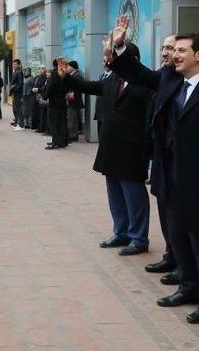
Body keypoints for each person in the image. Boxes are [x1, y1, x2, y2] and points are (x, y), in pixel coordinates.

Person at [108, 21, 199, 324]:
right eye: (174, 50)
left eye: (182, 50)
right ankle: (188, 287)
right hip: (169, 173)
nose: (174, 55)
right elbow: (139, 74)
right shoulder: (170, 79)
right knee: (177, 234)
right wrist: (120, 46)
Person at [54, 45, 153, 256]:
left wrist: (148, 149)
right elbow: (89, 87)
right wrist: (67, 78)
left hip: (133, 149)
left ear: (131, 59)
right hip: (111, 146)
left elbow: (149, 121)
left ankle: (138, 238)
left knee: (133, 194)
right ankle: (121, 232)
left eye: (112, 57)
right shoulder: (112, 80)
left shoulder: (146, 83)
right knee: (115, 192)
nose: (108, 61)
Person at [144, 34, 181, 286]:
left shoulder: (184, 81)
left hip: (178, 158)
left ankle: (182, 263)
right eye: (164, 47)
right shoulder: (163, 75)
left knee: (177, 214)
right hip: (160, 156)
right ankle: (171, 255)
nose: (166, 52)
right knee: (164, 209)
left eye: (172, 48)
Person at [43, 59, 70, 149]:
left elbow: (50, 88)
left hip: (54, 103)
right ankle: (63, 141)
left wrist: (45, 95)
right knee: (62, 122)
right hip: (62, 102)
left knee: (53, 123)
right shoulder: (66, 74)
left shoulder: (54, 74)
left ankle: (55, 141)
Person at [66, 61, 85, 142]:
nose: (67, 68)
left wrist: (68, 96)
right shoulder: (74, 75)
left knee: (72, 119)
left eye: (68, 66)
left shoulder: (76, 76)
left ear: (73, 67)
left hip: (74, 101)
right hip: (73, 101)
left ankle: (72, 135)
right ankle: (73, 134)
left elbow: (75, 89)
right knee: (72, 118)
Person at [94, 64, 113, 136]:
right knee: (100, 131)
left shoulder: (115, 76)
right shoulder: (101, 75)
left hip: (108, 109)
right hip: (99, 109)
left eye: (108, 61)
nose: (106, 64)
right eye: (104, 62)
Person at [32, 66, 48, 133]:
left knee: (42, 113)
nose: (41, 70)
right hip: (36, 96)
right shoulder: (37, 77)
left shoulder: (46, 78)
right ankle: (38, 126)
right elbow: (34, 85)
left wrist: (38, 90)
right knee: (37, 112)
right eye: (40, 69)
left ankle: (42, 128)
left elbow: (44, 87)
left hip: (42, 96)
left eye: (42, 69)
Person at [10, 59, 24, 129]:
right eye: (13, 64)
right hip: (15, 93)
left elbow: (20, 83)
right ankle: (19, 123)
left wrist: (15, 89)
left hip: (18, 93)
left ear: (18, 64)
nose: (13, 65)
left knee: (19, 109)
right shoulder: (16, 71)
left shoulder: (19, 72)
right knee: (16, 109)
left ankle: (21, 125)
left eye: (15, 64)